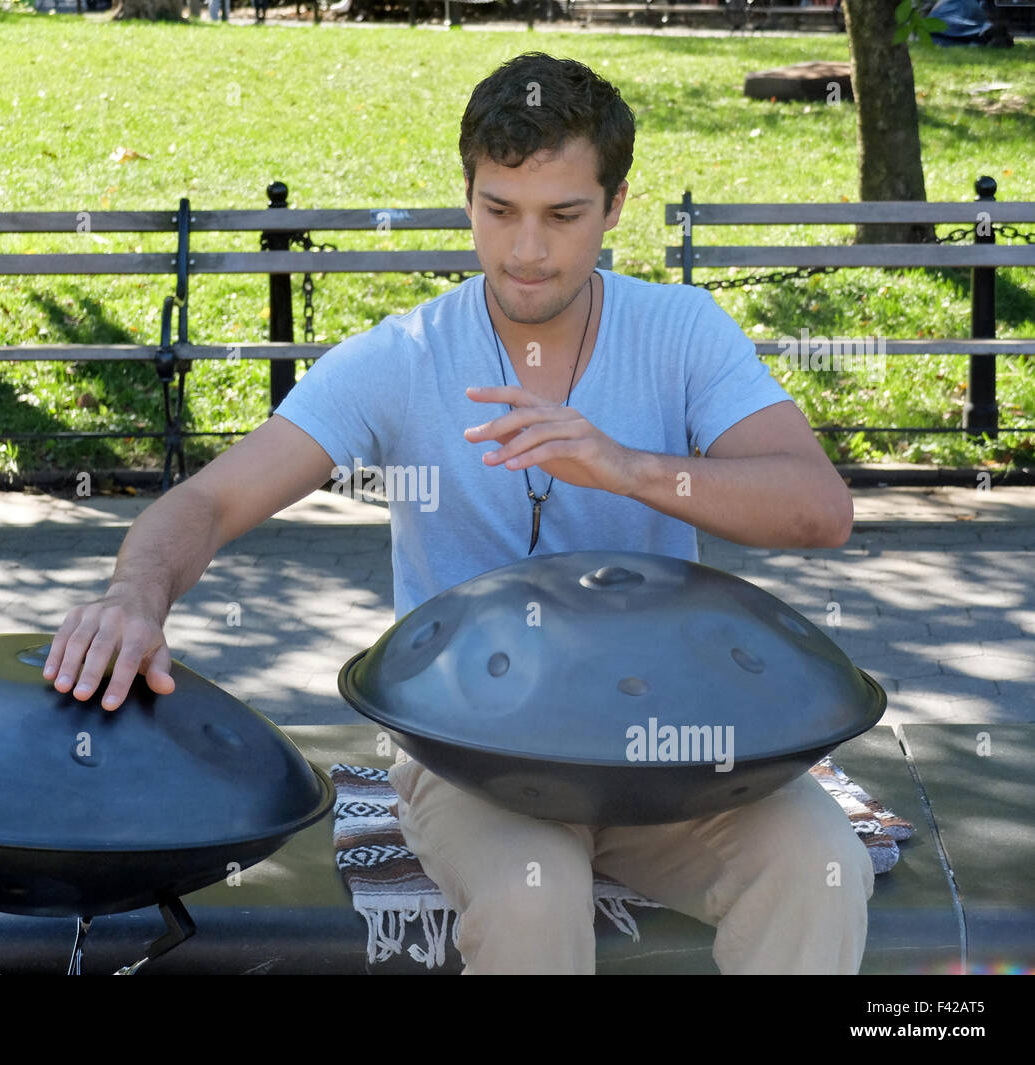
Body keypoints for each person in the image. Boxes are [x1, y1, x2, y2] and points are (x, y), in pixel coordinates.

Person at [43, 51, 873, 975]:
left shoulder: (680, 331)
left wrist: (629, 468)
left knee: (822, 863)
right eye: (498, 211)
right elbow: (208, 498)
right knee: (531, 891)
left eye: (564, 215)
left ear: (617, 205)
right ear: (466, 195)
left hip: (667, 744)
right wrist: (133, 596)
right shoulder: (403, 355)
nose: (527, 251)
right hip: (475, 752)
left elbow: (818, 509)